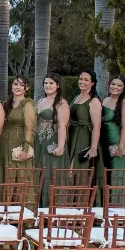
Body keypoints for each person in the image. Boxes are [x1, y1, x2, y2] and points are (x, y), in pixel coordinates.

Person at [67, 70, 103, 201]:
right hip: (72, 136)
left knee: (78, 170)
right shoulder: (76, 97)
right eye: (81, 79)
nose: (82, 82)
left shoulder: (94, 101)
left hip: (84, 138)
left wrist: (93, 147)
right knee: (69, 171)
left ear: (92, 83)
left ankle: (81, 205)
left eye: (86, 80)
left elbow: (97, 126)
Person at [36, 74, 70, 206]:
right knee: (40, 175)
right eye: (45, 83)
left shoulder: (61, 103)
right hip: (39, 143)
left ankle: (51, 210)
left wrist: (60, 146)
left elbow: (62, 126)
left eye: (51, 83)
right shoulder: (40, 101)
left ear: (58, 85)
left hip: (52, 144)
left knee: (50, 175)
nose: (48, 86)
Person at [0, 76, 36, 171]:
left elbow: (29, 127)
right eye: (15, 84)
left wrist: (25, 149)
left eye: (21, 85)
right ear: (12, 86)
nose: (17, 87)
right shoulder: (6, 104)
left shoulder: (27, 104)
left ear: (26, 88)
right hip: (4, 142)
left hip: (18, 143)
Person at [101, 76, 125, 187]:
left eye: (119, 85)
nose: (115, 87)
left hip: (116, 143)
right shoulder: (105, 100)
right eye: (113, 84)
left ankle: (118, 203)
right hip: (104, 142)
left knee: (116, 175)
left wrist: (121, 146)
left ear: (123, 88)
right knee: (105, 174)